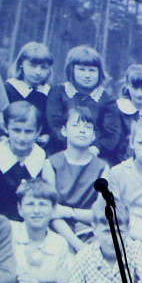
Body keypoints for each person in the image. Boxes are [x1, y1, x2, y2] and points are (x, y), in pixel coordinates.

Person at [44, 45, 122, 164]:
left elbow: (112, 134)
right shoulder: (58, 92)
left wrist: (95, 149)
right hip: (61, 149)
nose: (87, 75)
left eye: (92, 70)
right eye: (81, 69)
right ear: (72, 69)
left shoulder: (107, 99)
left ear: (99, 72)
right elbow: (55, 125)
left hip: (95, 154)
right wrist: (73, 149)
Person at [0, 101, 55, 221]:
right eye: (16, 130)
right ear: (5, 128)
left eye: (28, 131)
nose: (22, 138)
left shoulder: (45, 160)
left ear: (38, 131)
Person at [48, 105, 109, 253]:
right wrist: (78, 246)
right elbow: (52, 212)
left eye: (87, 127)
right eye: (75, 125)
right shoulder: (51, 164)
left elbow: (101, 214)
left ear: (93, 135)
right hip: (60, 230)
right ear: (64, 131)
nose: (82, 130)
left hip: (91, 229)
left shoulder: (102, 168)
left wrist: (70, 212)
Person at [5, 41, 53, 145]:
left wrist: (46, 137)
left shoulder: (49, 93)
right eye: (32, 66)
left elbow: (50, 124)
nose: (38, 72)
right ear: (21, 64)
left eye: (43, 68)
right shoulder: (8, 88)